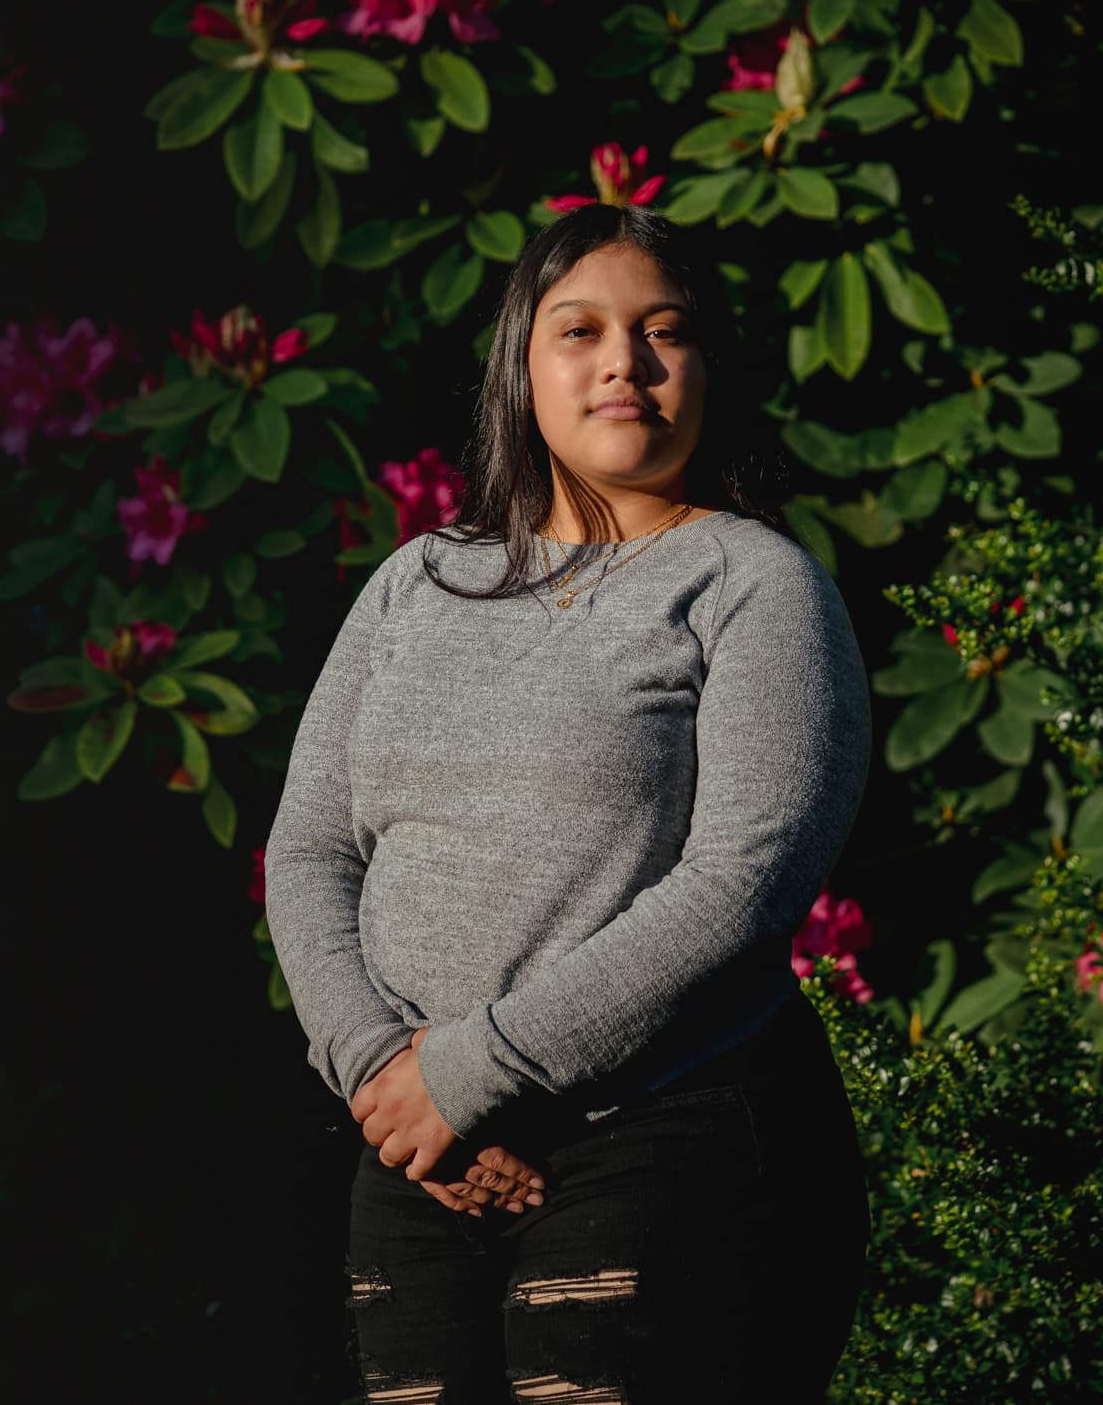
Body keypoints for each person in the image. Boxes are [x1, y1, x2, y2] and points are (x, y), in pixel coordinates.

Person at [262, 203, 874, 1403]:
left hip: (664, 1139)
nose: (623, 364)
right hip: (417, 1154)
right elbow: (309, 848)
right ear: (519, 365)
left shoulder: (755, 584)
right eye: (578, 330)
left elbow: (741, 880)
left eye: (664, 332)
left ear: (709, 364)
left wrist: (470, 1069)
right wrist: (387, 1078)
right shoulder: (416, 581)